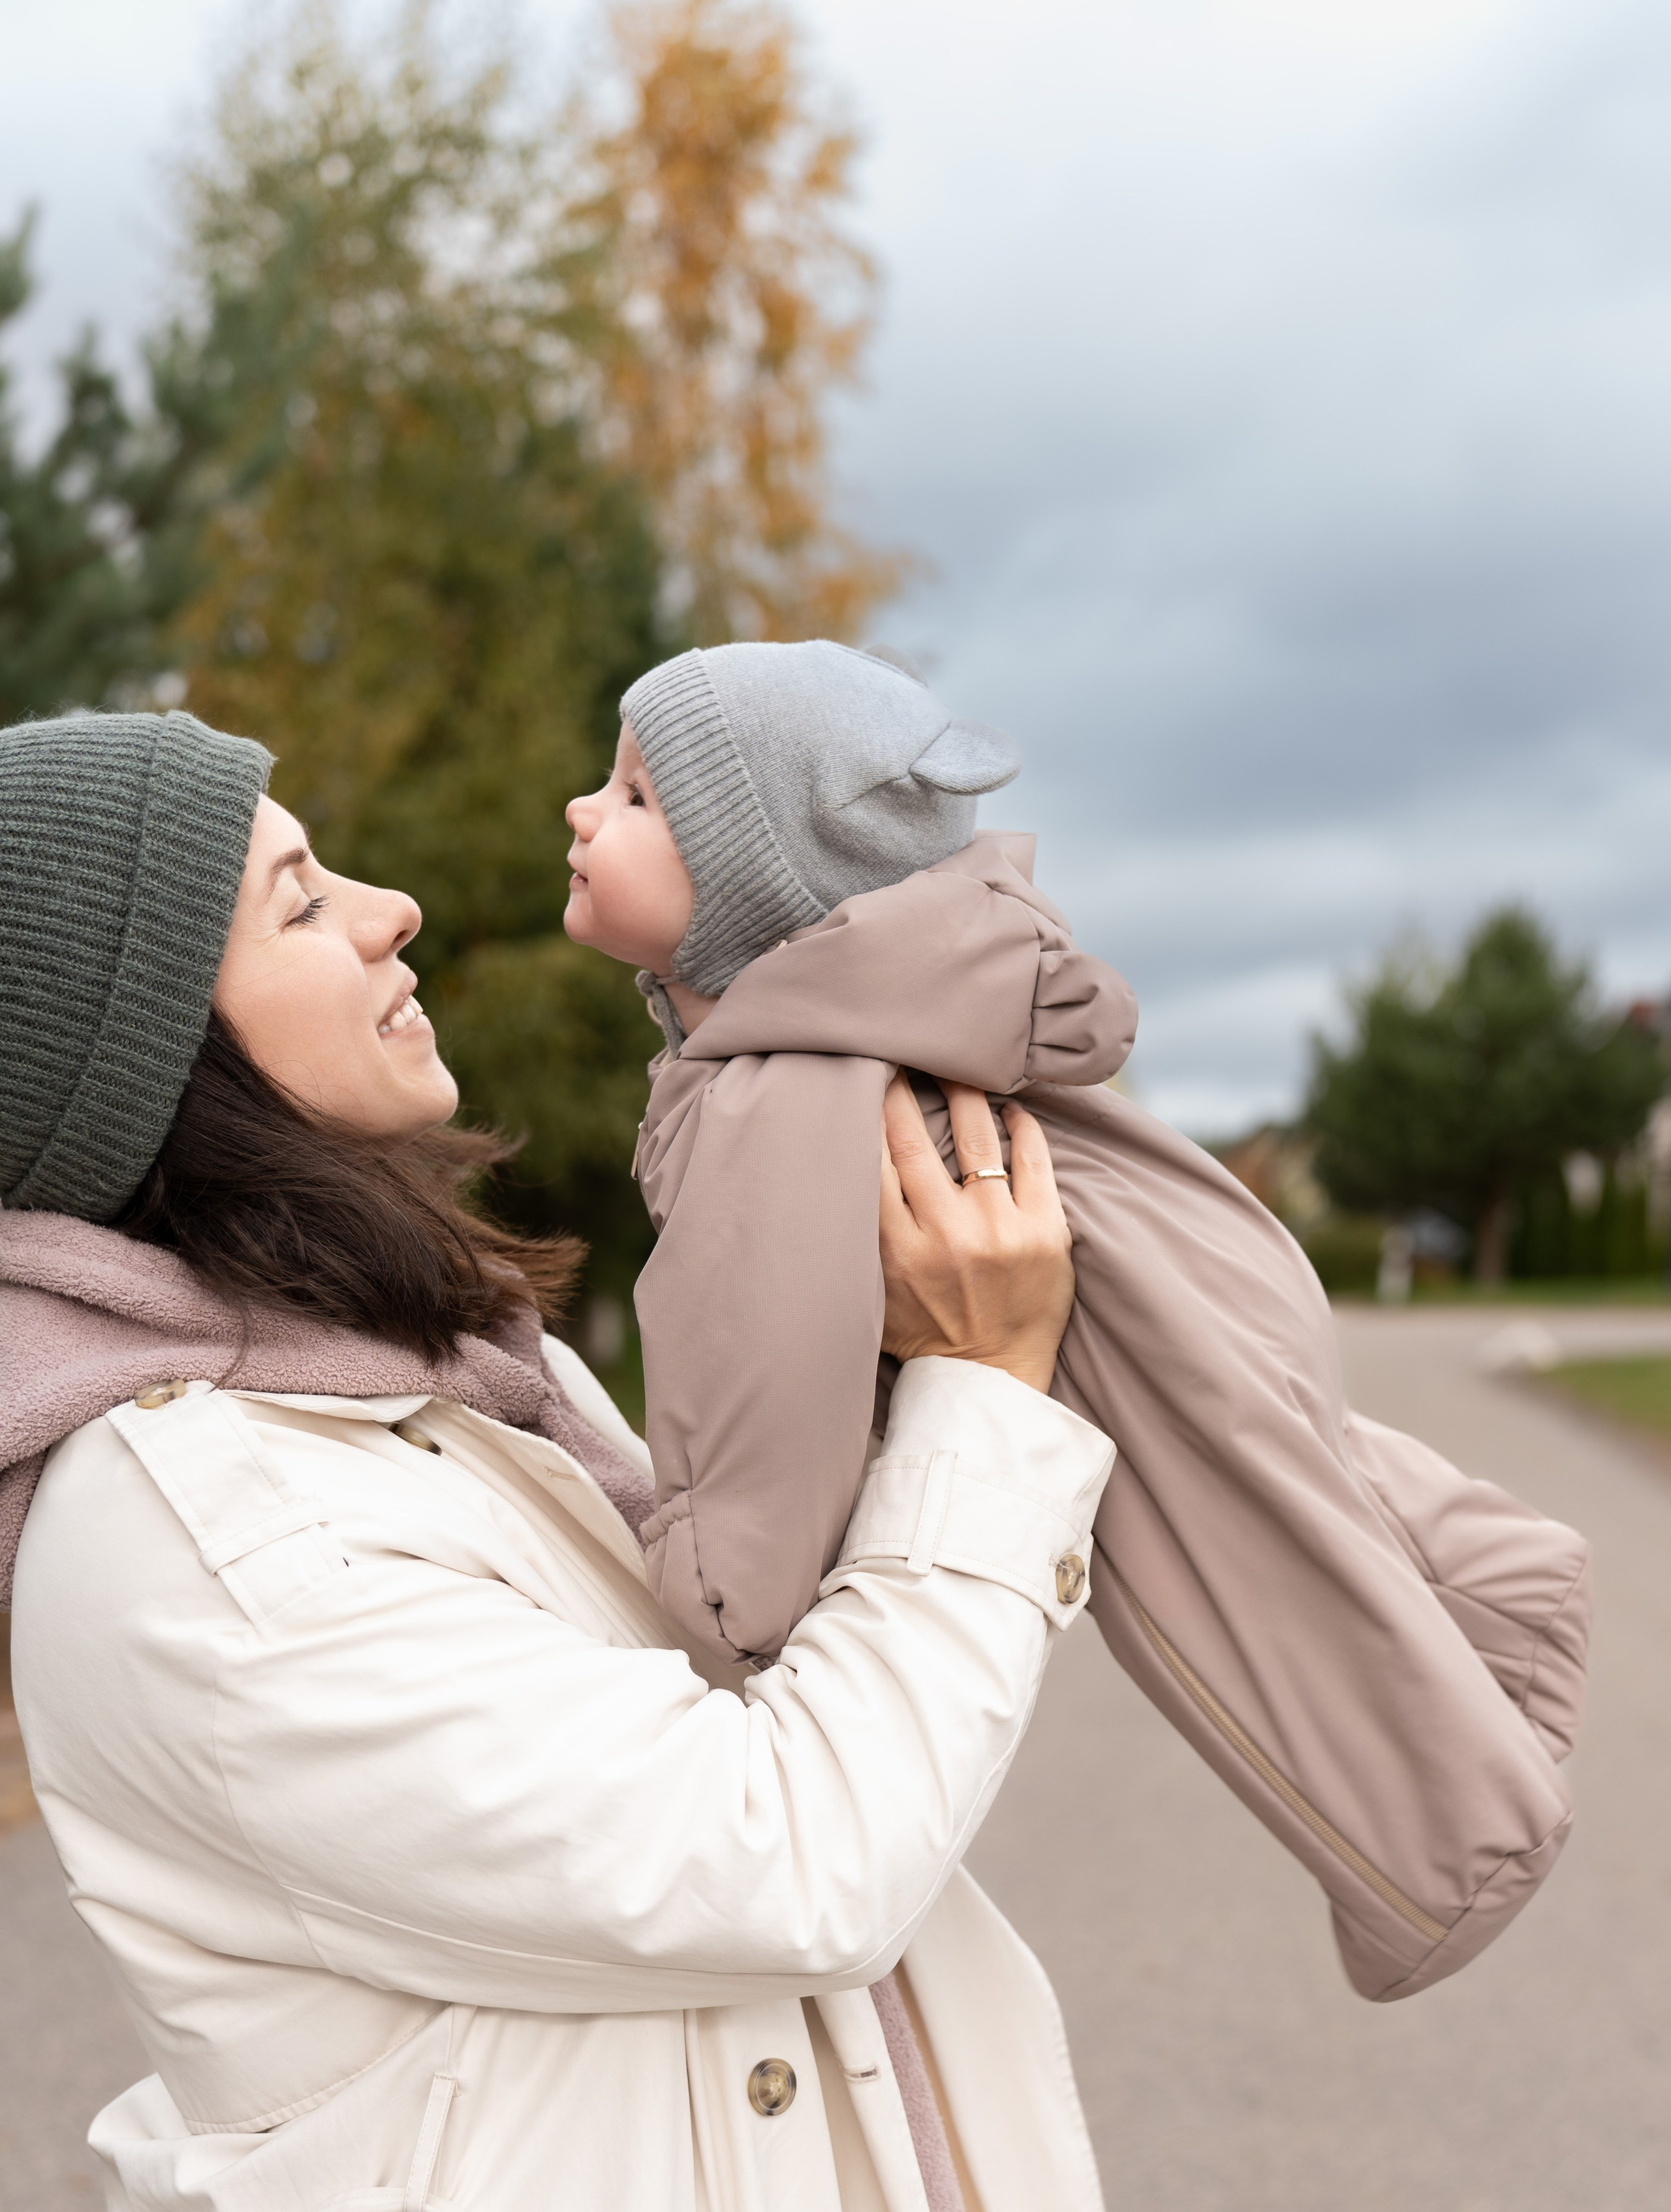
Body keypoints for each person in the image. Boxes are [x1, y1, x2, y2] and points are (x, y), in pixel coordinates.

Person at [0, 708, 1114, 2212]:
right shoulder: (216, 1545)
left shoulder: (442, 1376)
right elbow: (785, 1856)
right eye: (304, 902)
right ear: (151, 1062)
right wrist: (982, 1392)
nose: (394, 913)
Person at [565, 638, 1592, 2004]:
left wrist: (709, 1591)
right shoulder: (875, 1024)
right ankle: (1501, 1605)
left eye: (637, 798)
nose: (584, 811)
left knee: (1249, 1587)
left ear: (752, 885)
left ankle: (1451, 1851)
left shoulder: (777, 1098)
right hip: (1197, 1274)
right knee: (1302, 1484)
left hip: (1127, 1317)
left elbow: (758, 1382)